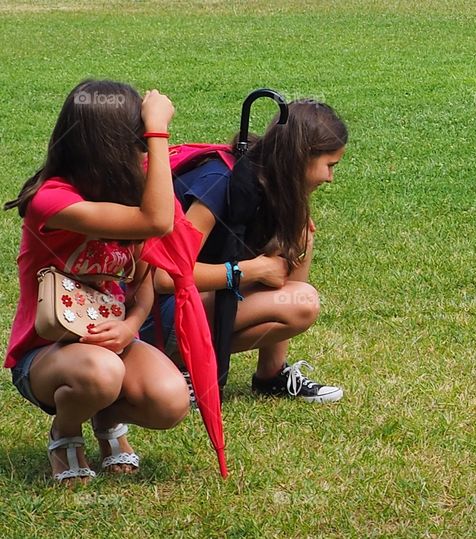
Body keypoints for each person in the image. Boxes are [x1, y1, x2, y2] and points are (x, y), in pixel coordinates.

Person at [4, 80, 190, 484]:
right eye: (137, 136)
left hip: (111, 340)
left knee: (171, 401)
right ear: (113, 141)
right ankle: (66, 431)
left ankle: (104, 413)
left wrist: (129, 325)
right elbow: (157, 220)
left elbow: (144, 280)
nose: (143, 146)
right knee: (101, 372)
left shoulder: (129, 193)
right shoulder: (51, 201)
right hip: (46, 354)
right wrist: (159, 130)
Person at [143, 99, 347, 404]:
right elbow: (164, 277)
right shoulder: (220, 181)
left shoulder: (262, 177)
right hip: (151, 318)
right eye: (329, 166)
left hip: (192, 305)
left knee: (301, 235)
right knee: (302, 302)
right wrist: (249, 271)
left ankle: (271, 375)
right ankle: (182, 367)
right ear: (302, 157)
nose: (330, 178)